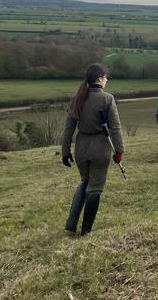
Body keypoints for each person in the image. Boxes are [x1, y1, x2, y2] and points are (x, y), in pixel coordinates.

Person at [61, 63, 124, 236]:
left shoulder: (77, 98)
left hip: (81, 148)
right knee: (95, 188)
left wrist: (65, 152)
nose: (106, 80)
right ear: (99, 78)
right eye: (105, 77)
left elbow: (68, 129)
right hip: (100, 149)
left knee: (85, 182)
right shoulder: (107, 99)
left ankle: (71, 223)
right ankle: (86, 230)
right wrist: (119, 151)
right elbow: (115, 128)